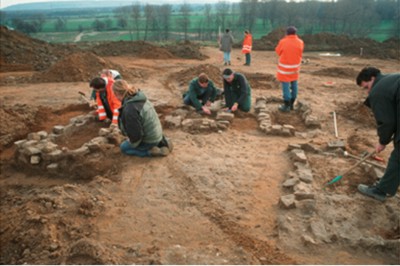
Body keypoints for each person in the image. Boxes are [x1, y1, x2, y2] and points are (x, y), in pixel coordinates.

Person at [355, 67, 399, 202]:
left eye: (366, 87)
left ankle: (381, 190)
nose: (368, 91)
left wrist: (382, 141)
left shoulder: (378, 91)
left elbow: (387, 122)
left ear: (372, 78)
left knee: (397, 159)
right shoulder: (393, 78)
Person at [112, 79, 173, 157]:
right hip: (158, 134)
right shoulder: (139, 97)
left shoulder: (130, 108)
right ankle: (162, 143)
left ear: (116, 93)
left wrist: (131, 142)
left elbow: (136, 134)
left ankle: (151, 152)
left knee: (124, 147)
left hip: (150, 139)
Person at [275, 26, 304, 112]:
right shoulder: (300, 42)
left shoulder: (283, 42)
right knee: (294, 84)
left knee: (286, 86)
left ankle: (286, 105)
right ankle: (292, 104)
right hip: (295, 68)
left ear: (287, 33)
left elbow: (278, 51)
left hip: (285, 69)